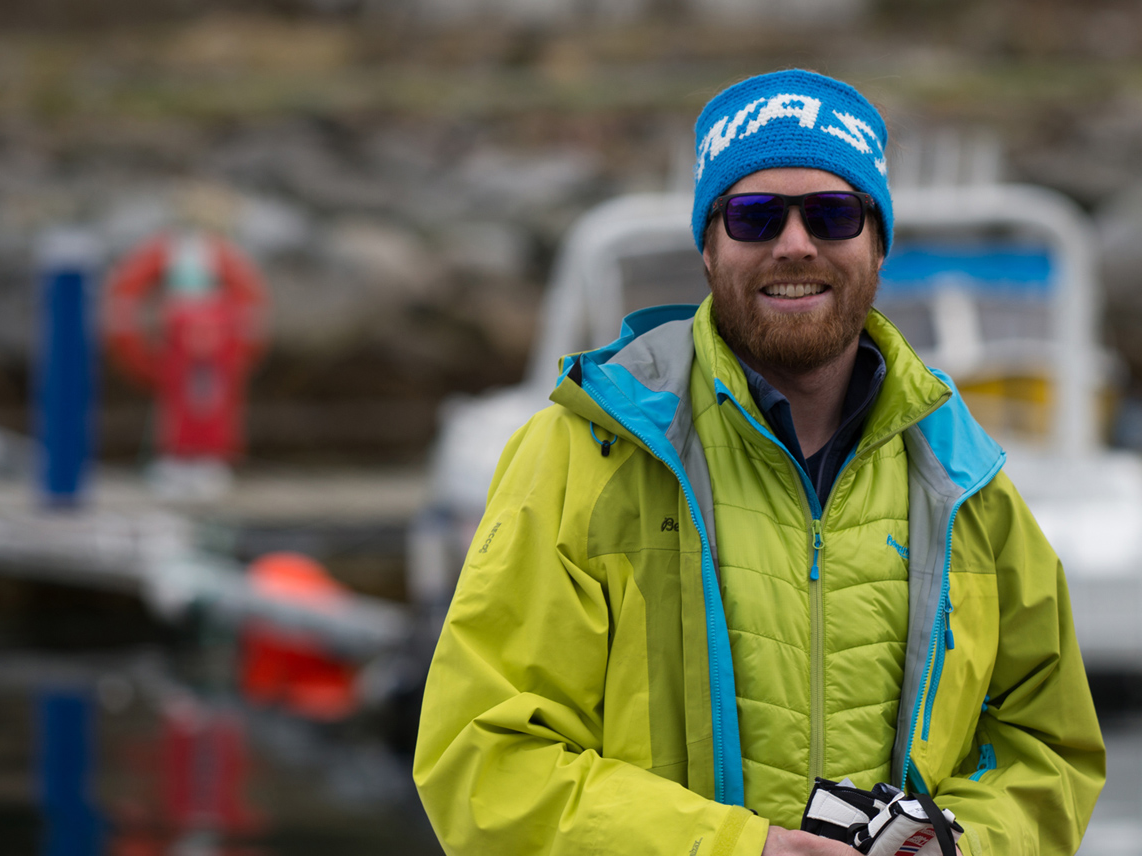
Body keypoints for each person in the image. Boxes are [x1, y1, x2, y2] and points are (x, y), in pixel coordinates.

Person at [413, 69, 1105, 855]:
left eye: (834, 213)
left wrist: (959, 847)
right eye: (754, 216)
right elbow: (484, 759)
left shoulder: (965, 480)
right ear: (709, 250)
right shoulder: (581, 454)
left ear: (878, 245)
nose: (796, 243)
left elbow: (1045, 750)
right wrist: (739, 849)